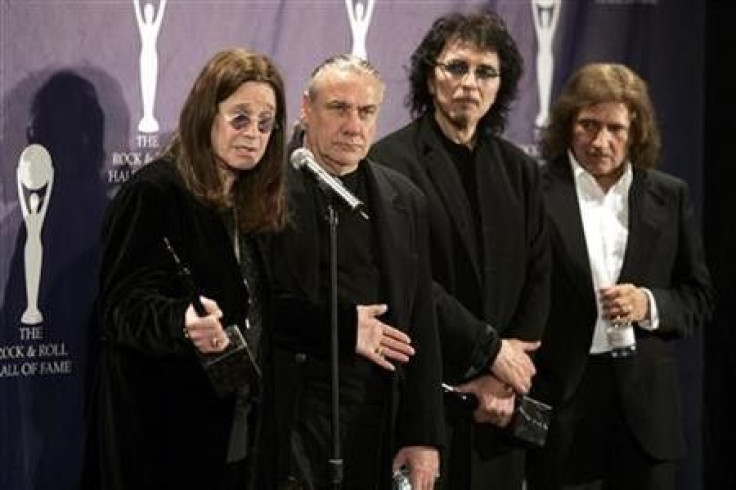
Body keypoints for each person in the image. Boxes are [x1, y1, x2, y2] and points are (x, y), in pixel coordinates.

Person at [81, 47, 287, 490]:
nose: (254, 133)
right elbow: (121, 307)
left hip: (235, 433)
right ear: (205, 117)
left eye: (266, 122)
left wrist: (348, 326)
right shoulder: (154, 192)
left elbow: (265, 309)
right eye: (240, 118)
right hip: (163, 440)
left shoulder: (251, 203)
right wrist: (181, 321)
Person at [370, 11, 551, 490]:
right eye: (457, 67)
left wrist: (506, 376)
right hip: (429, 404)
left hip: (501, 412)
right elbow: (409, 282)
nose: (470, 82)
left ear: (501, 86)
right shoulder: (389, 163)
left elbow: (539, 274)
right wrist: (488, 352)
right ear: (431, 78)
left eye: (485, 71)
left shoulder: (521, 170)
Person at [526, 63, 715, 489]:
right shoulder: (533, 189)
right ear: (566, 125)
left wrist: (647, 303)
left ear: (636, 132)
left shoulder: (670, 195)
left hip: (646, 414)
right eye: (587, 125)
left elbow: (698, 296)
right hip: (560, 402)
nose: (600, 141)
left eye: (615, 128)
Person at [262, 54, 443, 489]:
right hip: (294, 416)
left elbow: (422, 321)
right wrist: (345, 328)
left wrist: (423, 435)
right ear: (306, 109)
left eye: (366, 112)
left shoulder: (406, 199)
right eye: (338, 108)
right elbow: (261, 310)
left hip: (378, 418)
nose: (353, 125)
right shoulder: (266, 192)